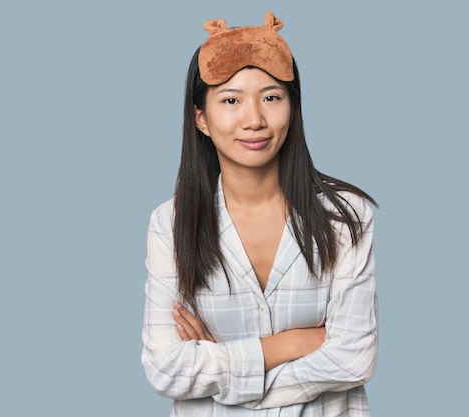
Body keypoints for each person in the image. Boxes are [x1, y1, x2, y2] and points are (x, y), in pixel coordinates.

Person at [141, 11, 379, 417]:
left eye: (271, 97)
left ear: (292, 107)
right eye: (230, 100)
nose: (254, 120)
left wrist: (226, 370)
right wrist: (289, 345)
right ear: (201, 118)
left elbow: (354, 358)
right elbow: (166, 370)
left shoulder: (345, 216)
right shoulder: (171, 223)